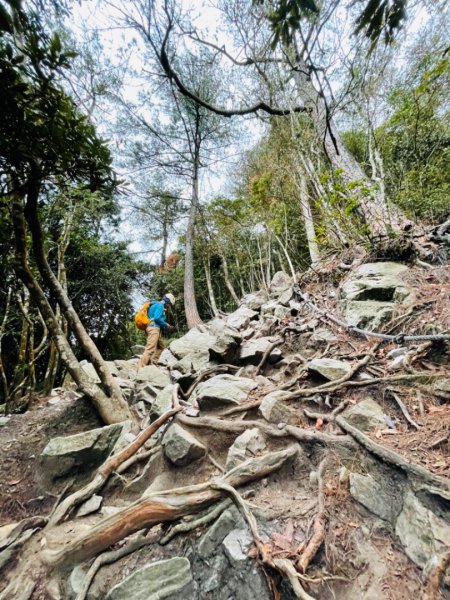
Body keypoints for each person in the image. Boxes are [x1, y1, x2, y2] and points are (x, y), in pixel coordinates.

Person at [138, 293, 175, 368]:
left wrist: (164, 324)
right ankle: (140, 369)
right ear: (167, 302)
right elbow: (157, 318)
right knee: (150, 349)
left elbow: (154, 317)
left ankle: (153, 363)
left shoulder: (154, 305)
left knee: (161, 347)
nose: (169, 307)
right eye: (169, 305)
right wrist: (166, 325)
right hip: (153, 328)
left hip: (151, 327)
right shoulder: (160, 305)